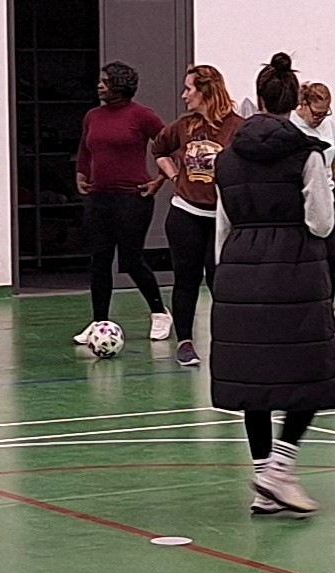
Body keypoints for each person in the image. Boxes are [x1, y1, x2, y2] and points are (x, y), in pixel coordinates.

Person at [210, 55, 335, 516]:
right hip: (294, 267)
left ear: (259, 99)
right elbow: (322, 224)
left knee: (255, 378)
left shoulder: (226, 158)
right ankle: (278, 471)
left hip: (239, 269)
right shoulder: (308, 154)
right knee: (310, 375)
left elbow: (222, 227)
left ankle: (265, 476)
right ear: (293, 102)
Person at [151, 64, 241, 369]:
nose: (183, 95)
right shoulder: (183, 126)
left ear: (205, 91)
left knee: (222, 282)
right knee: (186, 280)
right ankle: (185, 342)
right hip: (185, 214)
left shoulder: (236, 128)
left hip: (221, 218)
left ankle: (228, 341)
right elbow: (159, 149)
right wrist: (174, 175)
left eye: (189, 89)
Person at [75, 61, 169, 345]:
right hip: (98, 198)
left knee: (130, 259)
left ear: (120, 84)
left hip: (132, 198)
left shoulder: (142, 116)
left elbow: (168, 145)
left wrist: (159, 180)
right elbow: (84, 148)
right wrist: (81, 174)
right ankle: (98, 322)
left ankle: (159, 312)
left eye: (105, 81)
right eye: (100, 80)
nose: (99, 85)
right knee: (100, 260)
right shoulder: (93, 116)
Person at [295, 82, 335, 290]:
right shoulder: (291, 125)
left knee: (330, 260)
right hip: (300, 202)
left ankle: (327, 310)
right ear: (303, 104)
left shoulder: (328, 125)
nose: (320, 118)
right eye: (317, 113)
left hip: (326, 200)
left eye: (325, 113)